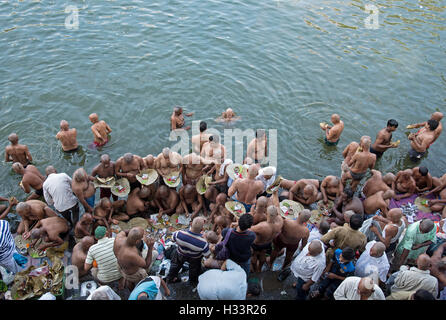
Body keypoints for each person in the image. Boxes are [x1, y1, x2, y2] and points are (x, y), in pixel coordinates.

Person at [167, 217, 211, 287]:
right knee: (194, 270)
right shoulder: (204, 243)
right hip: (195, 258)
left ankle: (171, 278)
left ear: (190, 224)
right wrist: (205, 238)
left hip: (180, 253)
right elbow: (207, 255)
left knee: (175, 266)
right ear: (202, 230)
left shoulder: (179, 234)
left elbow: (172, 240)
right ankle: (192, 281)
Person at [250, 204, 284, 273]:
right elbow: (277, 208)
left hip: (257, 243)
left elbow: (248, 229)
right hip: (268, 242)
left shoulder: (262, 226)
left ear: (266, 213)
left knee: (254, 255)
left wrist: (251, 213)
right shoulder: (280, 222)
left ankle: (256, 269)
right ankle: (260, 268)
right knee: (263, 253)